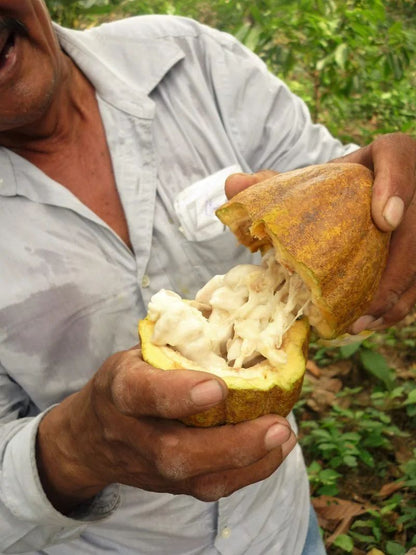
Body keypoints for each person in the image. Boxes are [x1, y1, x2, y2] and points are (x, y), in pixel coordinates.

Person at [0, 1, 415, 553]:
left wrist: (386, 201)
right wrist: (73, 450)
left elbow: (341, 184)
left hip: (282, 532)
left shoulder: (193, 60)